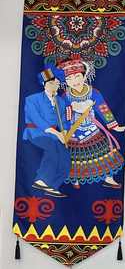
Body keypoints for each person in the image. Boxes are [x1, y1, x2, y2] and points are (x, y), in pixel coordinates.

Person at [58, 58, 125, 189]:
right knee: (75, 157)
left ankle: (108, 178)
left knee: (104, 152)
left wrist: (114, 126)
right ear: (65, 81)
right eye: (69, 79)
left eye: (77, 76)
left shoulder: (93, 93)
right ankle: (74, 179)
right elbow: (64, 116)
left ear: (84, 76)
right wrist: (65, 129)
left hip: (91, 128)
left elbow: (103, 108)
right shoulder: (65, 96)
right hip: (74, 131)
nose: (74, 81)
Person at [22, 66, 70, 198]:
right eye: (53, 83)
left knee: (65, 158)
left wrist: (64, 132)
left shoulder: (60, 101)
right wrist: (57, 133)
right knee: (52, 148)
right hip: (36, 132)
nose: (56, 85)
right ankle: (41, 180)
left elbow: (63, 120)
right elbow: (37, 119)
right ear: (45, 84)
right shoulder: (32, 99)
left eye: (57, 83)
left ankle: (53, 186)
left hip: (55, 135)